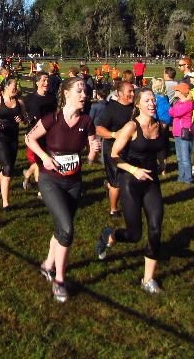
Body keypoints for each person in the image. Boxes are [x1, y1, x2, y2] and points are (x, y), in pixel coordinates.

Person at [26, 77, 100, 303]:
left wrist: (93, 151)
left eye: (86, 91)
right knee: (67, 229)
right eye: (79, 90)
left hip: (74, 181)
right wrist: (45, 158)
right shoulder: (53, 119)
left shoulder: (87, 121)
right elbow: (29, 138)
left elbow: (89, 158)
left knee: (61, 227)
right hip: (51, 180)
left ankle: (48, 265)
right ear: (66, 94)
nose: (84, 95)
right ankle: (59, 280)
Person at [95, 88, 168, 294]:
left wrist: (162, 162)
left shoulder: (161, 126)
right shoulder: (131, 127)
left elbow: (160, 146)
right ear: (138, 105)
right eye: (147, 100)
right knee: (135, 234)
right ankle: (110, 236)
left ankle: (148, 279)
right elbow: (115, 155)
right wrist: (134, 170)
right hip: (130, 181)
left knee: (155, 228)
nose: (152, 103)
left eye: (153, 99)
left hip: (151, 182)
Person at [95, 81, 135, 217]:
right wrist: (114, 134)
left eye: (133, 91)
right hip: (112, 150)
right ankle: (114, 209)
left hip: (131, 149)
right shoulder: (111, 109)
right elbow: (99, 129)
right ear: (120, 93)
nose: (132, 94)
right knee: (117, 182)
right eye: (129, 92)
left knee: (131, 179)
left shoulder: (136, 109)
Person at [0, 77, 27, 211]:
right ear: (6, 87)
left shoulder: (20, 102)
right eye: (14, 86)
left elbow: (26, 119)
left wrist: (22, 119)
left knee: (9, 167)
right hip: (0, 138)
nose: (16, 88)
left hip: (13, 138)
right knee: (7, 167)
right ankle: (5, 203)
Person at [22, 72, 58, 193]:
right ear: (37, 83)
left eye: (48, 80)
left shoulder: (52, 97)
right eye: (43, 80)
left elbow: (56, 114)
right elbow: (23, 115)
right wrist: (28, 118)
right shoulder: (29, 99)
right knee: (39, 163)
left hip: (50, 135)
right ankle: (41, 191)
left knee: (43, 161)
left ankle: (28, 175)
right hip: (34, 137)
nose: (46, 83)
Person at [169, 83, 194, 184]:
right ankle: (181, 176)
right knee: (180, 157)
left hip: (185, 132)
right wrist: (172, 110)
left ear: (181, 92)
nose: (175, 92)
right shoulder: (179, 102)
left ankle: (188, 178)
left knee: (185, 157)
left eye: (176, 90)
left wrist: (172, 110)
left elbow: (175, 112)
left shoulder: (188, 104)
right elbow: (172, 111)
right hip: (177, 131)